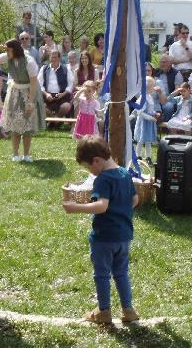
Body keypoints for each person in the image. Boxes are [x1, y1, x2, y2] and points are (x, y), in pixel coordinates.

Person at [62, 135, 139, 324]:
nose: (91, 172)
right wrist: (121, 210)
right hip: (123, 236)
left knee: (102, 274)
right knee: (121, 273)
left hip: (104, 237)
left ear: (97, 160)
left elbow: (102, 206)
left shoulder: (103, 179)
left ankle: (104, 312)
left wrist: (75, 208)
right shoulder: (125, 174)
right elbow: (135, 200)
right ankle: (128, 310)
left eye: (89, 167)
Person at [0, 38, 45, 162]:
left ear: (15, 50)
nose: (7, 52)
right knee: (14, 125)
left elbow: (33, 84)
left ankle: (26, 155)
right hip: (14, 92)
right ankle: (15, 154)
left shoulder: (29, 62)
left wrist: (30, 102)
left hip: (28, 92)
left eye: (8, 50)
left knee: (27, 126)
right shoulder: (8, 56)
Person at [38, 49, 74, 119]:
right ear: (49, 58)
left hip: (62, 95)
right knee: (41, 107)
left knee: (66, 106)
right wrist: (46, 94)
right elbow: (39, 85)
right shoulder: (44, 69)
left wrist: (62, 94)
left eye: (55, 57)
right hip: (47, 96)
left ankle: (53, 122)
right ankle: (56, 122)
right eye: (52, 57)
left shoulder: (66, 69)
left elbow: (71, 85)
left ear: (59, 58)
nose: (53, 59)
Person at [133, 76, 158, 163]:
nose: (153, 89)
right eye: (152, 87)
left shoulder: (149, 97)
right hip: (143, 122)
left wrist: (154, 113)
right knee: (141, 139)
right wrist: (150, 117)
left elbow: (150, 109)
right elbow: (140, 112)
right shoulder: (143, 98)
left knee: (148, 140)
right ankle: (138, 155)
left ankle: (148, 157)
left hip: (149, 122)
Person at [154, 55, 184, 121]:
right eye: (161, 62)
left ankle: (165, 124)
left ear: (170, 63)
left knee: (168, 107)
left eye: (164, 62)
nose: (162, 64)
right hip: (156, 98)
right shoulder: (156, 72)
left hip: (170, 98)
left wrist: (168, 98)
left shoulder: (176, 74)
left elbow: (177, 90)